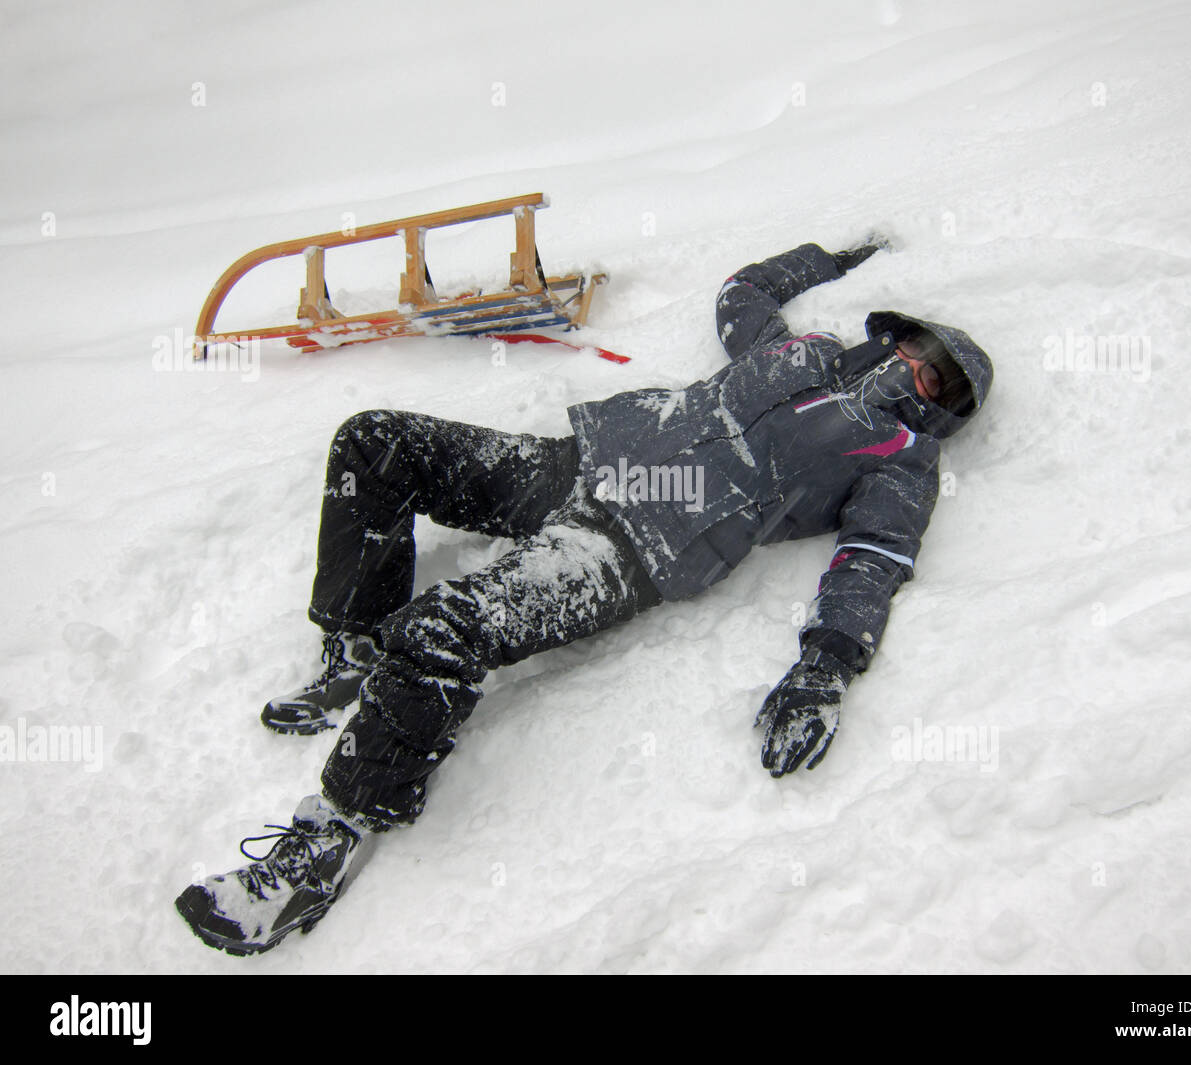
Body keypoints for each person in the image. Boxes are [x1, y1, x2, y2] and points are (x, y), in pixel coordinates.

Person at [175, 239, 994, 955]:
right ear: (896, 336)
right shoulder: (804, 352)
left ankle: (328, 837)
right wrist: (841, 256)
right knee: (376, 442)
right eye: (920, 351)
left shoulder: (898, 462)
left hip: (628, 551)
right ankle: (353, 646)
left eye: (937, 381)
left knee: (447, 627)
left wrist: (827, 666)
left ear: (943, 408)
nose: (916, 372)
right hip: (581, 463)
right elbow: (742, 293)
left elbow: (872, 560)